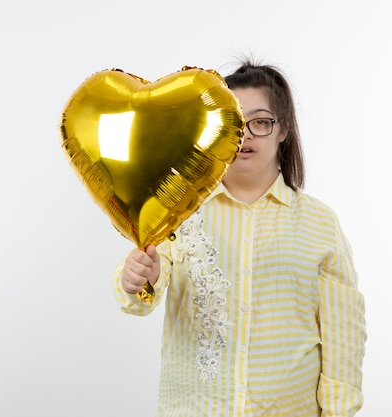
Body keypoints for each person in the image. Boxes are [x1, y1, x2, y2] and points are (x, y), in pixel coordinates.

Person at [113, 60, 366, 417]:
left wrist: (339, 411)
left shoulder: (319, 222)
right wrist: (138, 278)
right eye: (233, 122)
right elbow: (139, 300)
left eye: (260, 122)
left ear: (283, 130)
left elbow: (344, 337)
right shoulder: (180, 210)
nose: (244, 135)